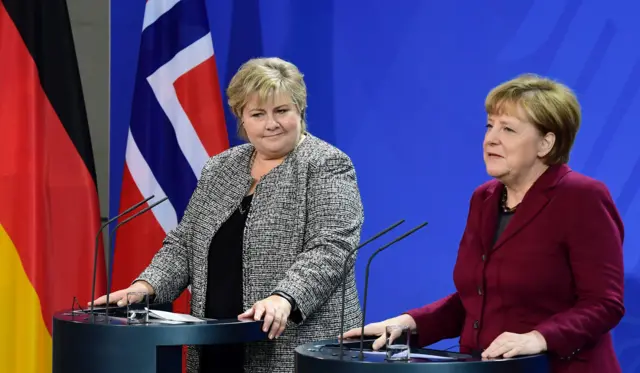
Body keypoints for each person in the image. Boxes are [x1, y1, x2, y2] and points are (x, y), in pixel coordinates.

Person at [92, 57, 364, 373]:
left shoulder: (327, 165)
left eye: (282, 111)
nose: (271, 123)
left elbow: (331, 249)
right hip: (217, 342)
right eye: (258, 114)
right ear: (242, 119)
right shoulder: (222, 167)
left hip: (292, 346)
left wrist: (284, 298)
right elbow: (185, 243)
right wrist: (145, 287)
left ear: (300, 111)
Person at [343, 74, 625, 373]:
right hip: (485, 368)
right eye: (490, 125)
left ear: (546, 143)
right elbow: (476, 299)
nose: (491, 138)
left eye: (508, 129)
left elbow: (604, 303)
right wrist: (407, 324)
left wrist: (540, 337)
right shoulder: (485, 198)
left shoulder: (581, 197)